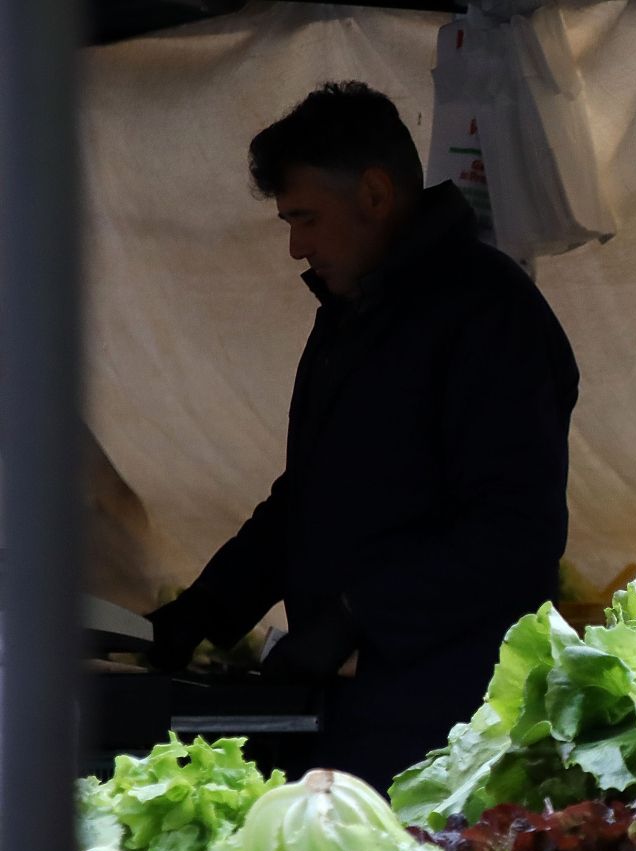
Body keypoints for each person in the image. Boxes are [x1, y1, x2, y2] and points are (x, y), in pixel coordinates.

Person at [145, 82, 580, 787]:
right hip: (354, 704)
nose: (295, 247)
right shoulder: (352, 317)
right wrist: (206, 608)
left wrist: (357, 617)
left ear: (375, 194)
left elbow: (516, 532)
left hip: (447, 718)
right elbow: (308, 495)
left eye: (307, 219)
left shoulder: (490, 317)